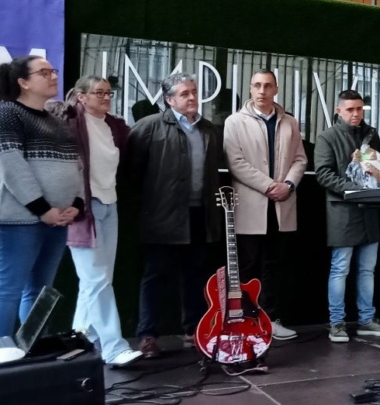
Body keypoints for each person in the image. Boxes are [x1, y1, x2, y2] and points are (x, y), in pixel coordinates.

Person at [48, 76, 142, 367]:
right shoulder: (70, 122)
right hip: (81, 209)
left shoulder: (114, 126)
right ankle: (113, 348)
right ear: (82, 96)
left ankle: (80, 340)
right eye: (98, 93)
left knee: (99, 281)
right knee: (95, 279)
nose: (105, 97)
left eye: (109, 93)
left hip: (109, 205)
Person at [128, 73, 222, 358]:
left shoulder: (210, 130)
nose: (192, 98)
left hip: (199, 216)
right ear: (169, 100)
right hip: (162, 217)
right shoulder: (148, 128)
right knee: (155, 277)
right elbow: (131, 175)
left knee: (195, 276)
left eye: (194, 92)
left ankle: (192, 331)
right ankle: (148, 336)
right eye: (185, 94)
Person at [0, 55, 84, 336]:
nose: (53, 76)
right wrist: (42, 208)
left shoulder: (57, 122)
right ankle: (2, 346)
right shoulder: (8, 113)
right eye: (44, 72)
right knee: (9, 287)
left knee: (39, 290)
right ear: (23, 82)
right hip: (20, 220)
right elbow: (11, 165)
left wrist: (77, 204)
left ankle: (32, 348)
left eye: (54, 71)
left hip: (57, 220)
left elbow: (76, 166)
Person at [223, 69, 307, 340]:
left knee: (274, 266)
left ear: (276, 89)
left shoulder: (290, 123)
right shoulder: (235, 121)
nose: (262, 91)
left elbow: (300, 159)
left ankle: (270, 320)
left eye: (267, 86)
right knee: (248, 267)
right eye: (257, 85)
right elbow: (235, 162)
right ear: (250, 89)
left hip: (281, 206)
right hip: (251, 205)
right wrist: (269, 186)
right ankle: (246, 321)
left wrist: (289, 185)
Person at [314, 90, 380, 343]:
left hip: (370, 211)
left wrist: (376, 175)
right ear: (338, 111)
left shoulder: (371, 134)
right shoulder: (327, 137)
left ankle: (367, 319)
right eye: (350, 110)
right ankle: (337, 323)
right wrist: (356, 188)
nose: (356, 114)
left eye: (359, 109)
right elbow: (323, 174)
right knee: (340, 269)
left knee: (367, 269)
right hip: (343, 211)